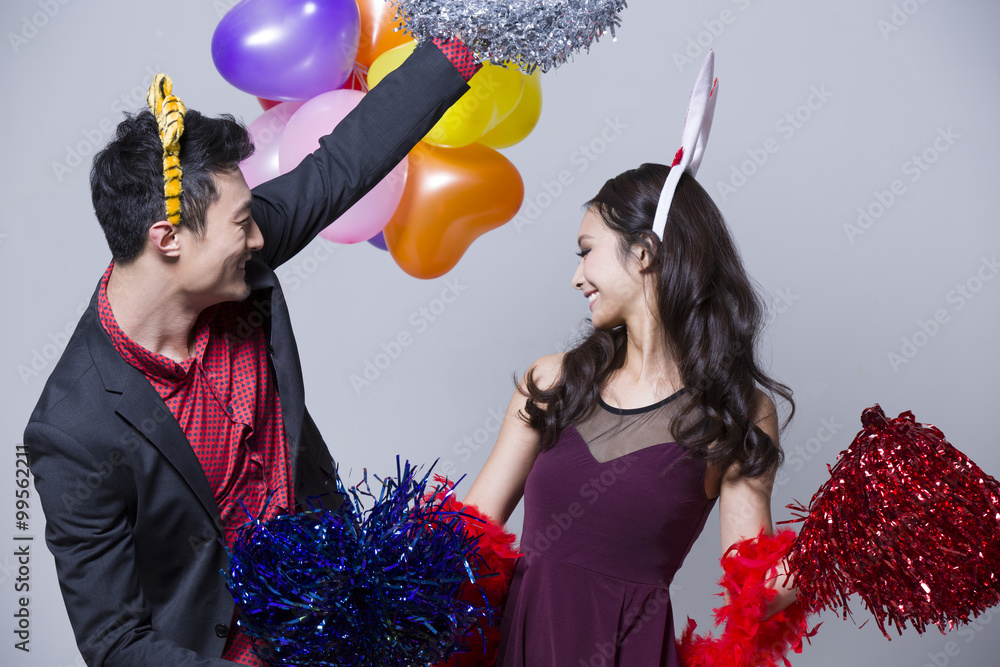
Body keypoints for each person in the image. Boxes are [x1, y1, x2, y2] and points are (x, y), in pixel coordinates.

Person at [25, 38, 479, 666]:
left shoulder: (232, 260)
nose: (261, 234)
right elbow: (114, 644)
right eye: (242, 223)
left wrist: (469, 40)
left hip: (342, 618)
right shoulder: (72, 430)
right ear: (168, 239)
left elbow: (340, 164)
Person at [464, 56, 799, 665]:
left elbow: (755, 589)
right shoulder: (552, 381)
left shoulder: (736, 413)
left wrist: (848, 544)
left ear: (643, 253)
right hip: (521, 646)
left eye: (586, 252)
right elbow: (463, 534)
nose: (576, 277)